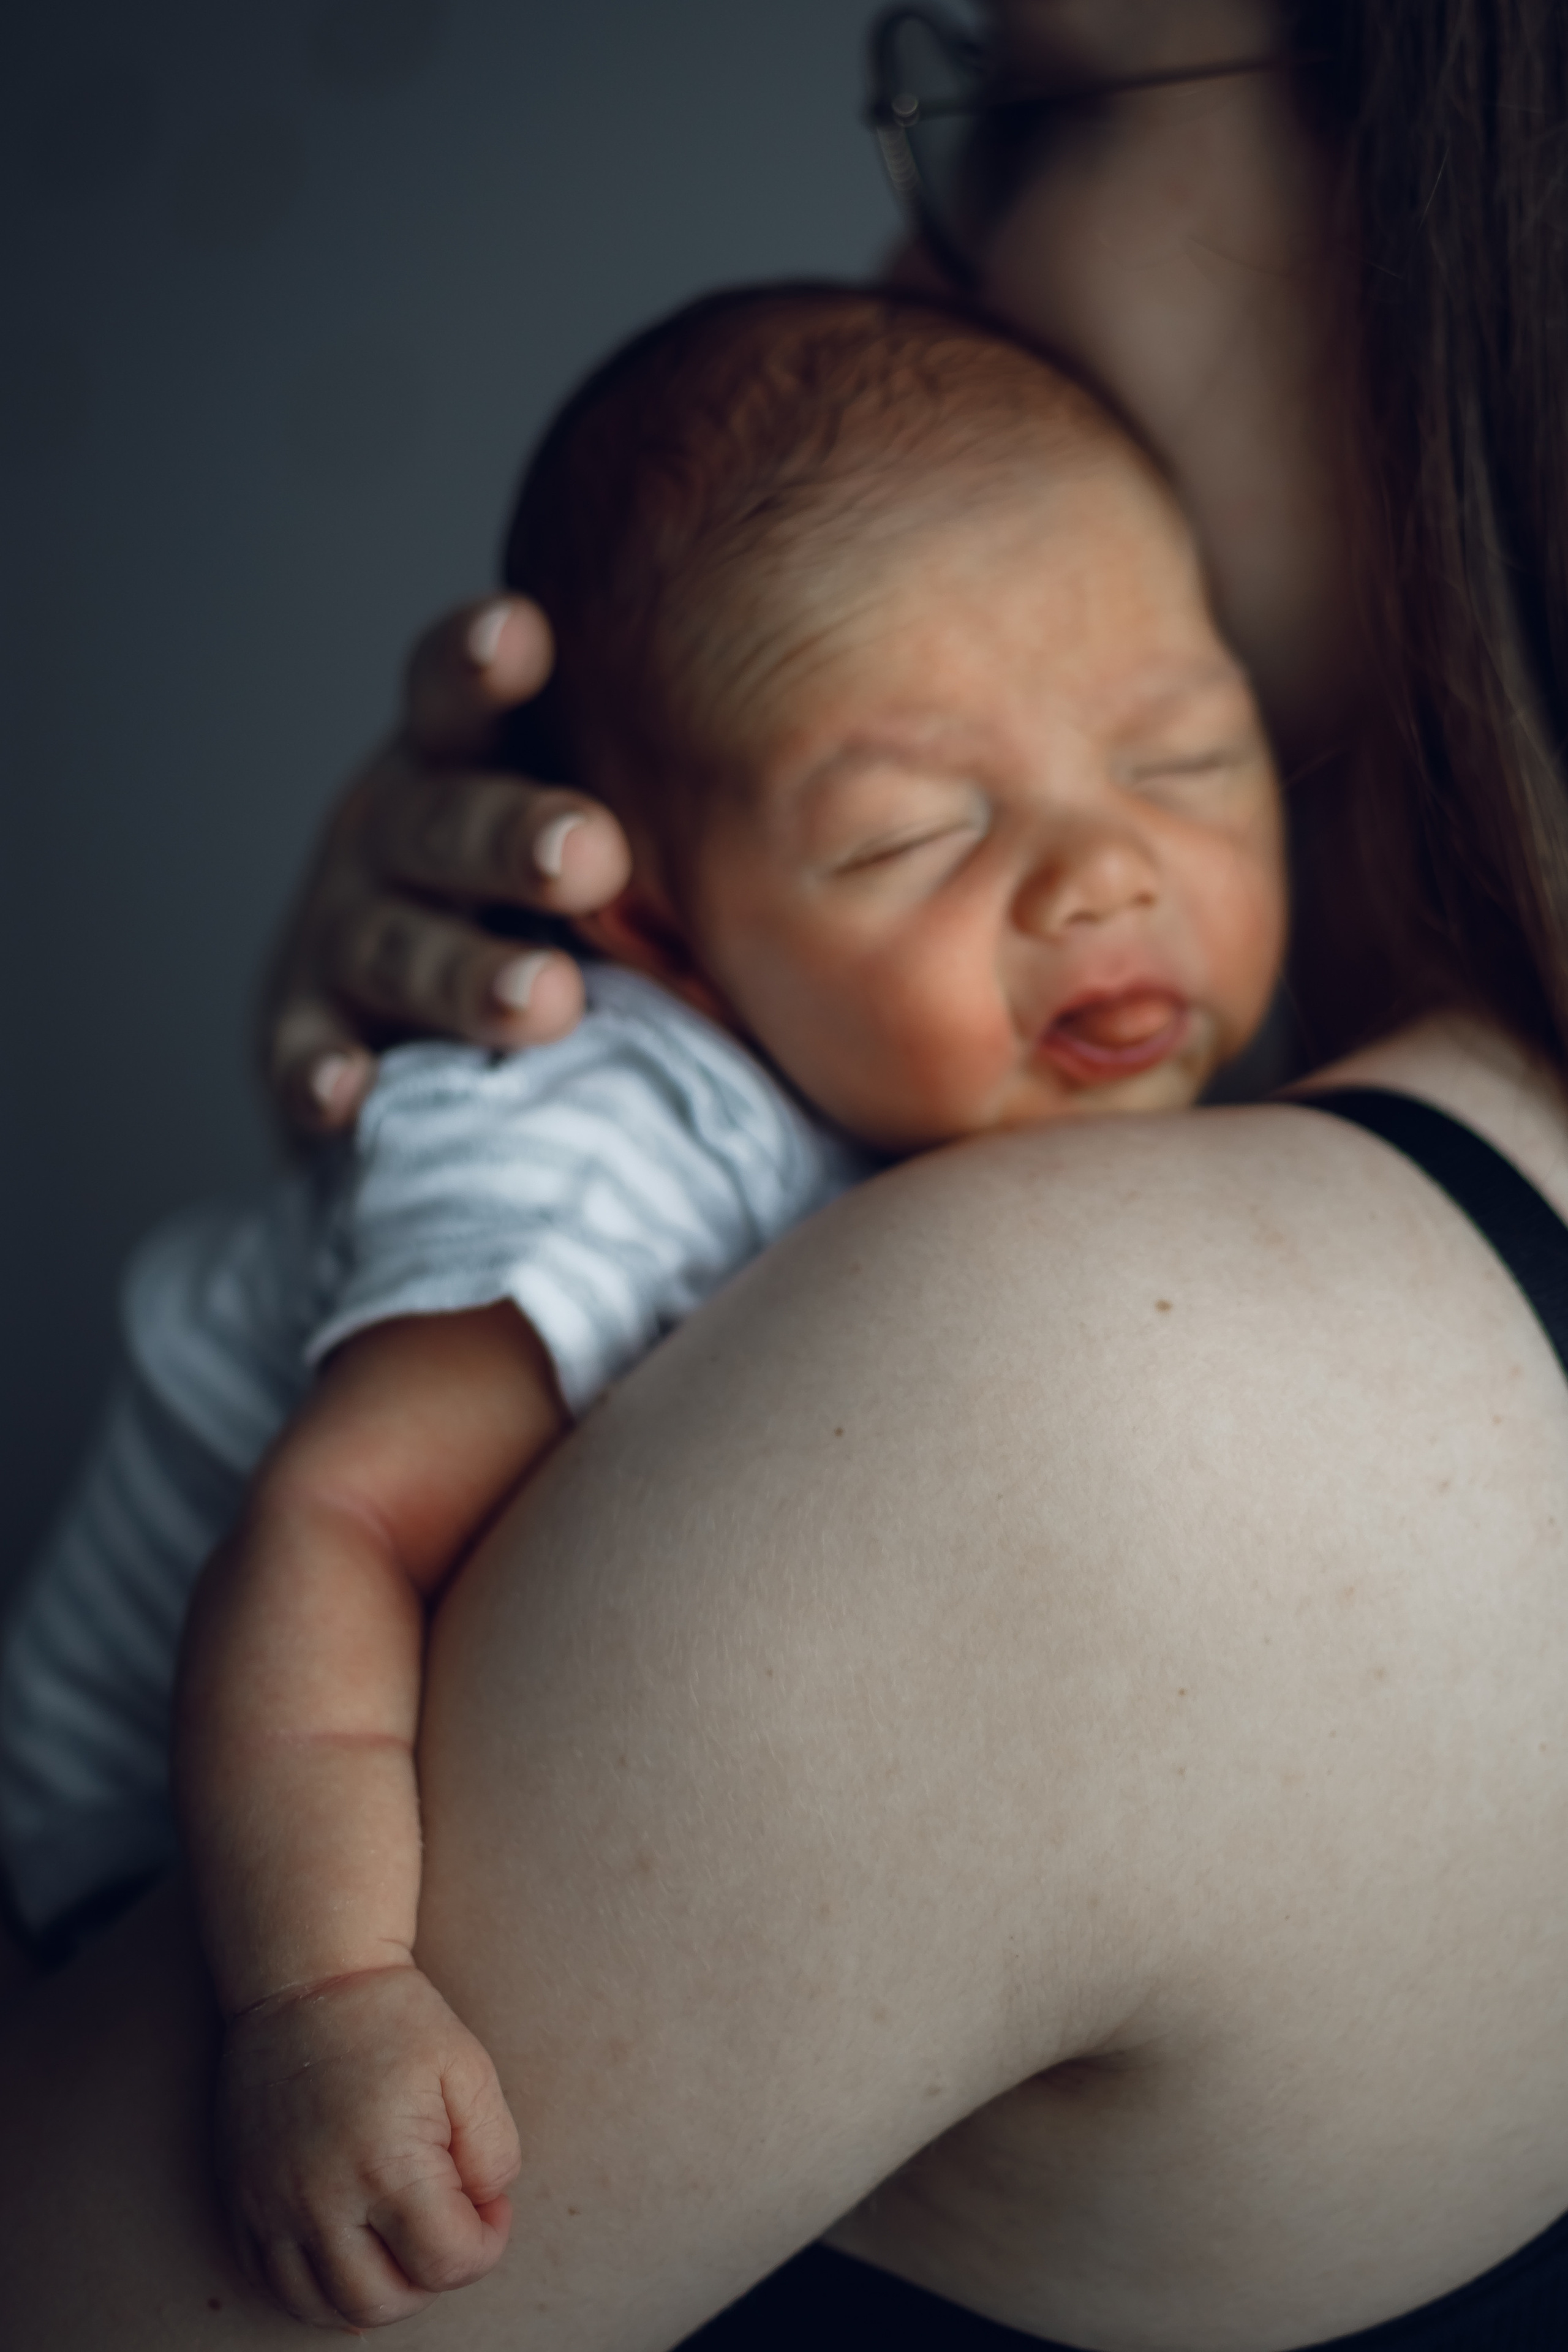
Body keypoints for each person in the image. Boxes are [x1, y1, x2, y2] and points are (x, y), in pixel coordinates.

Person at [5, 1, 1568, 2345]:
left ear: (1472, 190)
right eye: (910, 823)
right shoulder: (1272, 1211)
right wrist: (431, 1189)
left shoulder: (1080, 1389)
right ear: (661, 914)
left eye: (1022, 115)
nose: (915, 254)